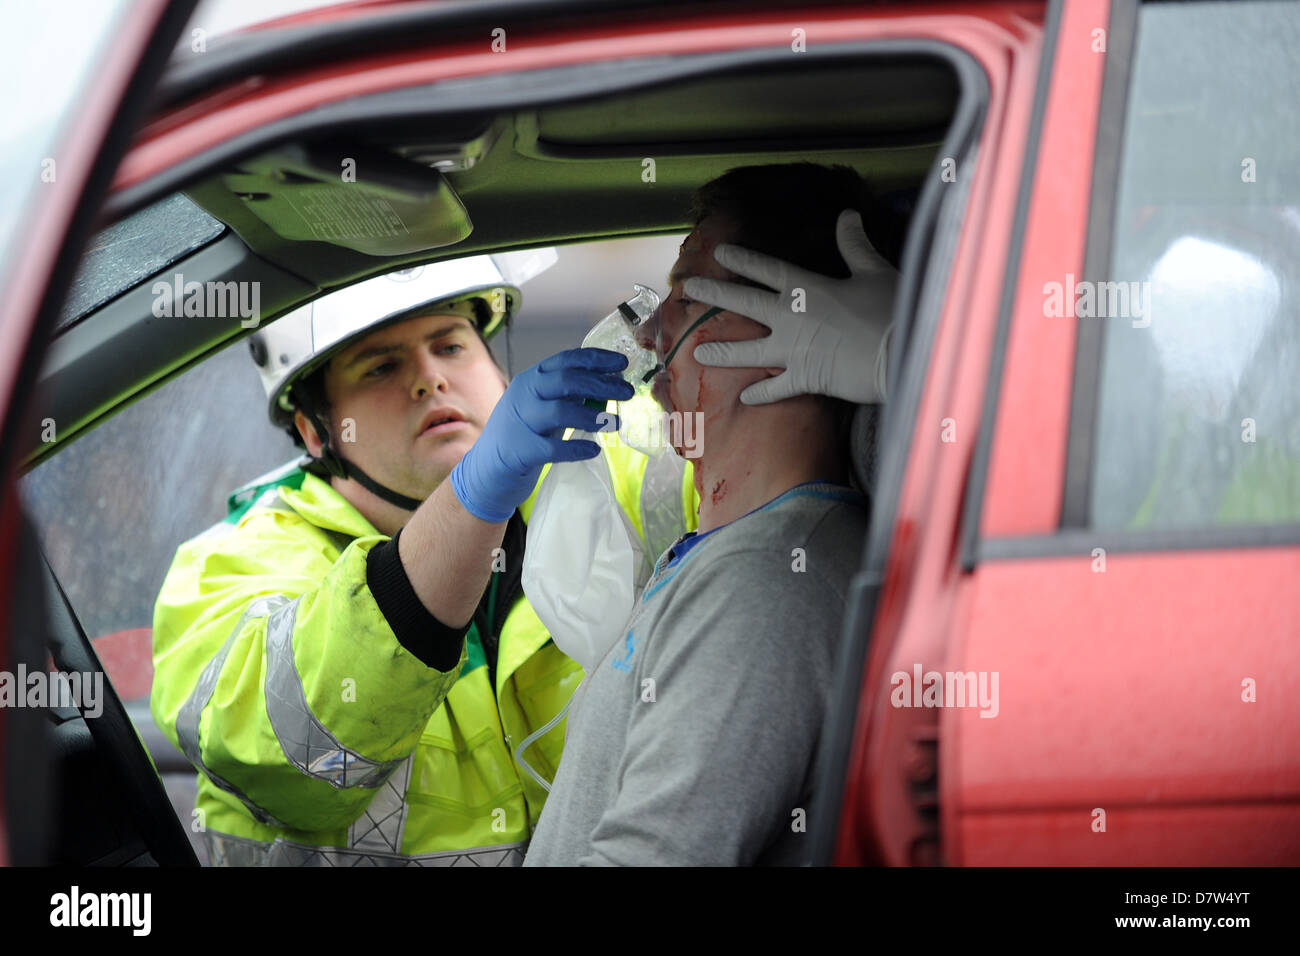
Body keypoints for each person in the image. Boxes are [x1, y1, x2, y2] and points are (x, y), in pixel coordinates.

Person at [151, 254, 699, 866]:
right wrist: (470, 502)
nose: (430, 379)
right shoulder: (231, 564)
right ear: (315, 431)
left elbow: (749, 463)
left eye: (451, 346)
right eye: (381, 365)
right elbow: (294, 755)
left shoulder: (607, 468)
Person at [523, 162, 901, 866]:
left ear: (788, 317)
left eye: (683, 291)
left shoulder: (765, 585)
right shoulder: (729, 552)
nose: (645, 333)